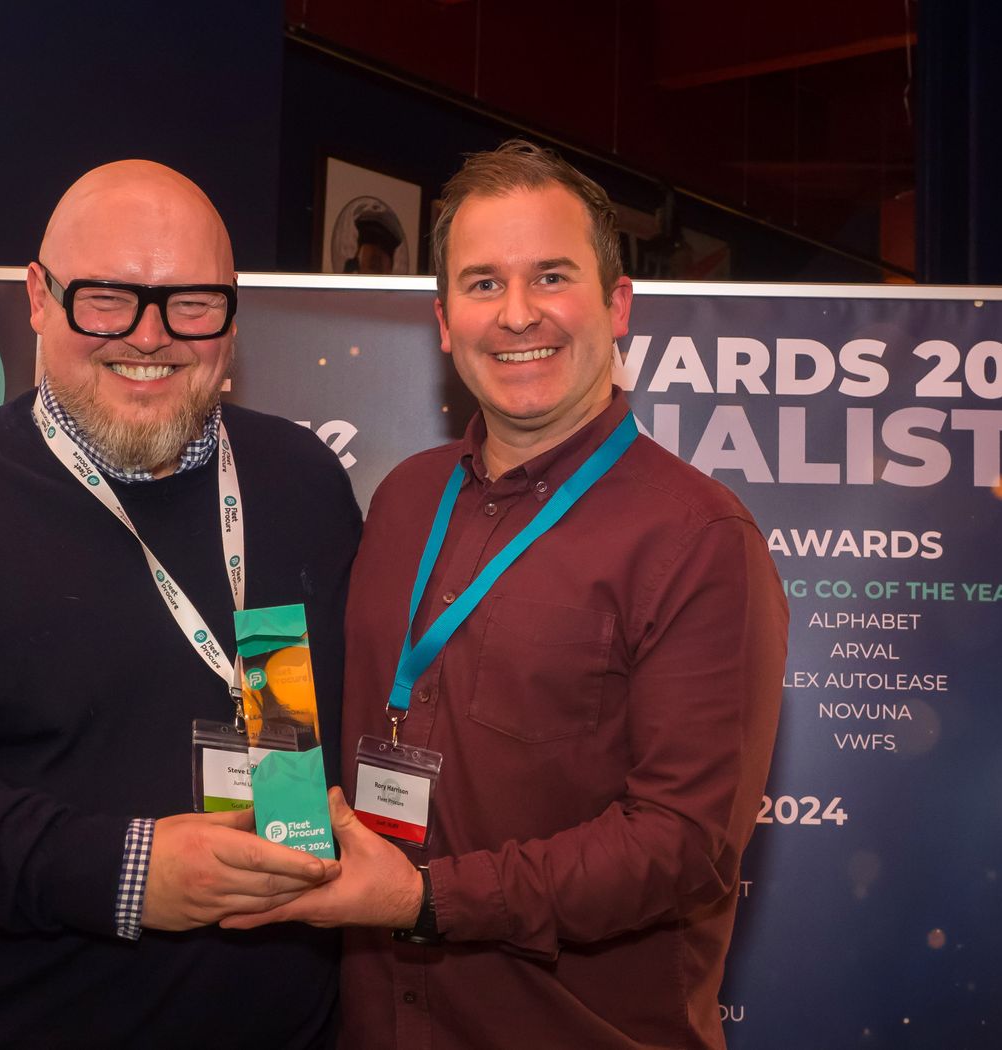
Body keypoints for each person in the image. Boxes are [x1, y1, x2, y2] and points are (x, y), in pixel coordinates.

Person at [0, 160, 363, 1048]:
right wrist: (126, 872)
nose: (150, 336)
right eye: (107, 299)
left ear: (232, 316)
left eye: (191, 303)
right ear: (39, 299)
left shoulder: (301, 480)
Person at [223, 141, 788, 1049]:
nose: (518, 313)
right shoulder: (403, 498)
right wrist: (268, 810)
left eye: (551, 277)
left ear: (617, 304)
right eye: (483, 283)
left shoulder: (698, 539)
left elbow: (681, 844)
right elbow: (320, 693)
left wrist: (425, 899)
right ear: (444, 321)